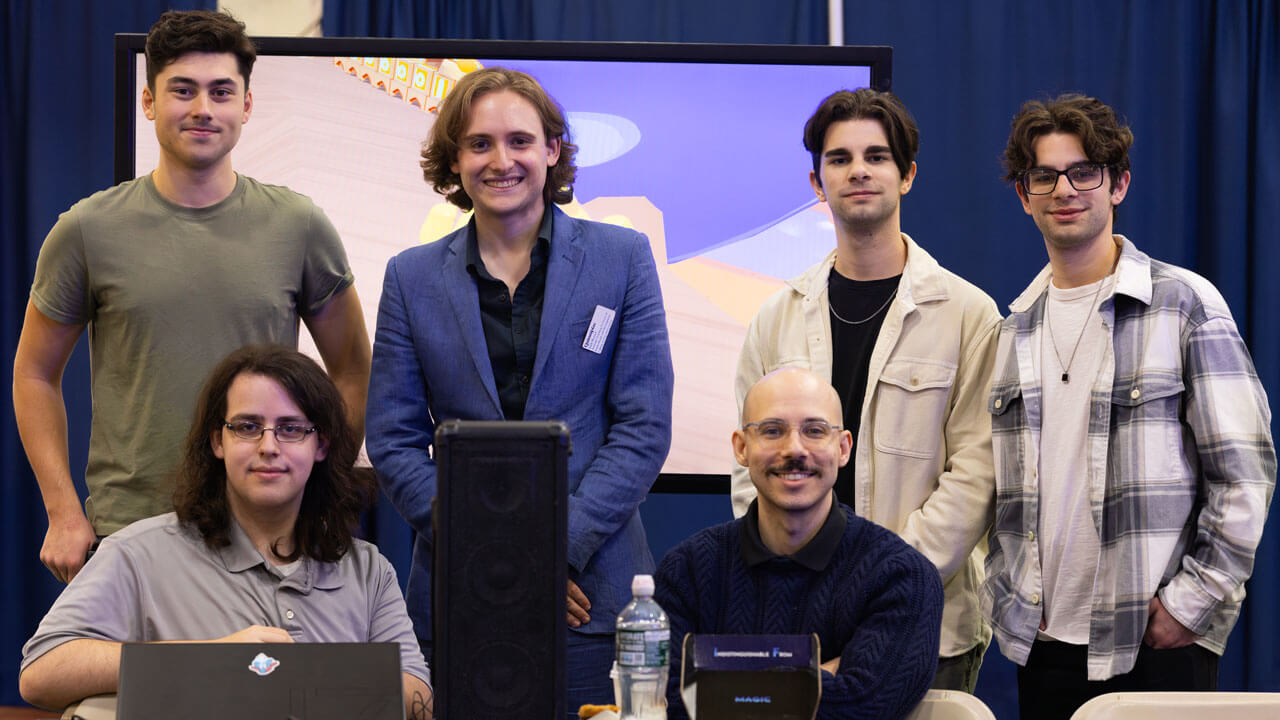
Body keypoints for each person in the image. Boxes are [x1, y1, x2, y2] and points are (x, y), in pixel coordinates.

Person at [12, 9, 370, 584]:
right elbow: (33, 374)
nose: (204, 108)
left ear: (246, 107)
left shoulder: (299, 225)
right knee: (131, 679)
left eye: (222, 91)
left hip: (267, 533)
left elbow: (353, 368)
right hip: (129, 534)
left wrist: (323, 488)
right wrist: (61, 512)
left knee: (267, 676)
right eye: (183, 90)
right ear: (149, 101)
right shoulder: (86, 230)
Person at [365, 66, 674, 716]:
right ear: (455, 158)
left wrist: (547, 552)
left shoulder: (623, 260)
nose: (500, 160)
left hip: (589, 601)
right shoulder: (410, 279)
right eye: (479, 143)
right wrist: (493, 550)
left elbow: (642, 426)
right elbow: (392, 441)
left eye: (520, 141)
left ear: (553, 150)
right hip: (459, 597)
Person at [983, 93, 1276, 720]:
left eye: (1084, 170)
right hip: (1042, 646)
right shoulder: (1012, 333)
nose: (1064, 188)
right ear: (1024, 194)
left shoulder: (1183, 304)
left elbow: (1245, 471)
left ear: (1118, 184)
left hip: (1152, 643)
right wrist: (1005, 594)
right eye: (1044, 175)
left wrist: (1190, 605)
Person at [731, 88, 1000, 691]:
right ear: (816, 180)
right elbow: (749, 465)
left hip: (929, 628)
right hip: (797, 622)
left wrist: (882, 582)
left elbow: (976, 475)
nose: (858, 171)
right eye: (840, 158)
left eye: (877, 157)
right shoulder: (775, 316)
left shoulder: (967, 314)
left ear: (906, 176)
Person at [19, 345, 430, 718]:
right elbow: (41, 671)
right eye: (248, 427)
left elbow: (418, 698)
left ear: (320, 446)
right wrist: (215, 658)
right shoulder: (137, 553)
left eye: (291, 428)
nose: (269, 446)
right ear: (218, 440)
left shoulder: (369, 571)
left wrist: (310, 679)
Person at [657, 367, 942, 720]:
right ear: (742, 448)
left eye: (815, 431)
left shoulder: (902, 578)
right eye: (772, 431)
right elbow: (663, 704)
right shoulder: (686, 572)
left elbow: (862, 708)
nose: (794, 449)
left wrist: (718, 688)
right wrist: (819, 678)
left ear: (842, 448)